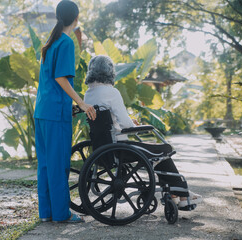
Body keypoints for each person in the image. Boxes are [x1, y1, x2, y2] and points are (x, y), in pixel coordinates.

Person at [83, 55, 202, 207]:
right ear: (110, 72)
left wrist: (126, 123)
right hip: (119, 146)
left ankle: (174, 192)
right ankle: (182, 194)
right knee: (163, 150)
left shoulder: (88, 94)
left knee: (156, 152)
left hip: (102, 147)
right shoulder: (111, 92)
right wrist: (133, 124)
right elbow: (125, 123)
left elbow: (108, 121)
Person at [33, 0, 96, 223]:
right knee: (59, 163)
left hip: (42, 111)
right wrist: (81, 102)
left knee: (46, 164)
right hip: (55, 114)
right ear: (76, 18)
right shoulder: (67, 42)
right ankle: (61, 214)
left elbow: (50, 81)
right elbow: (61, 78)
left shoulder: (50, 42)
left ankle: (46, 213)